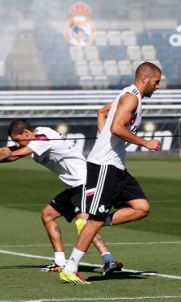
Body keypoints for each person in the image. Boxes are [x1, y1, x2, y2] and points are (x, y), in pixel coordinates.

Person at [0, 119, 123, 275]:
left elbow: (14, 155)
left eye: (18, 140)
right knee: (48, 215)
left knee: (83, 223)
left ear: (26, 132)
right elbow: (9, 150)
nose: (17, 143)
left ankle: (109, 260)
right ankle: (60, 262)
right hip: (73, 187)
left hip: (85, 183)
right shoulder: (34, 139)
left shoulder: (43, 137)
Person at [59, 62, 162, 284]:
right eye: (156, 82)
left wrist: (105, 133)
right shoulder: (131, 97)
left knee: (141, 208)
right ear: (145, 78)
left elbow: (104, 113)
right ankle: (70, 267)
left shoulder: (128, 96)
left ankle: (94, 221)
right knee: (94, 220)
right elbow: (116, 128)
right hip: (104, 166)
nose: (158, 87)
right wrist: (146, 143)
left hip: (116, 166)